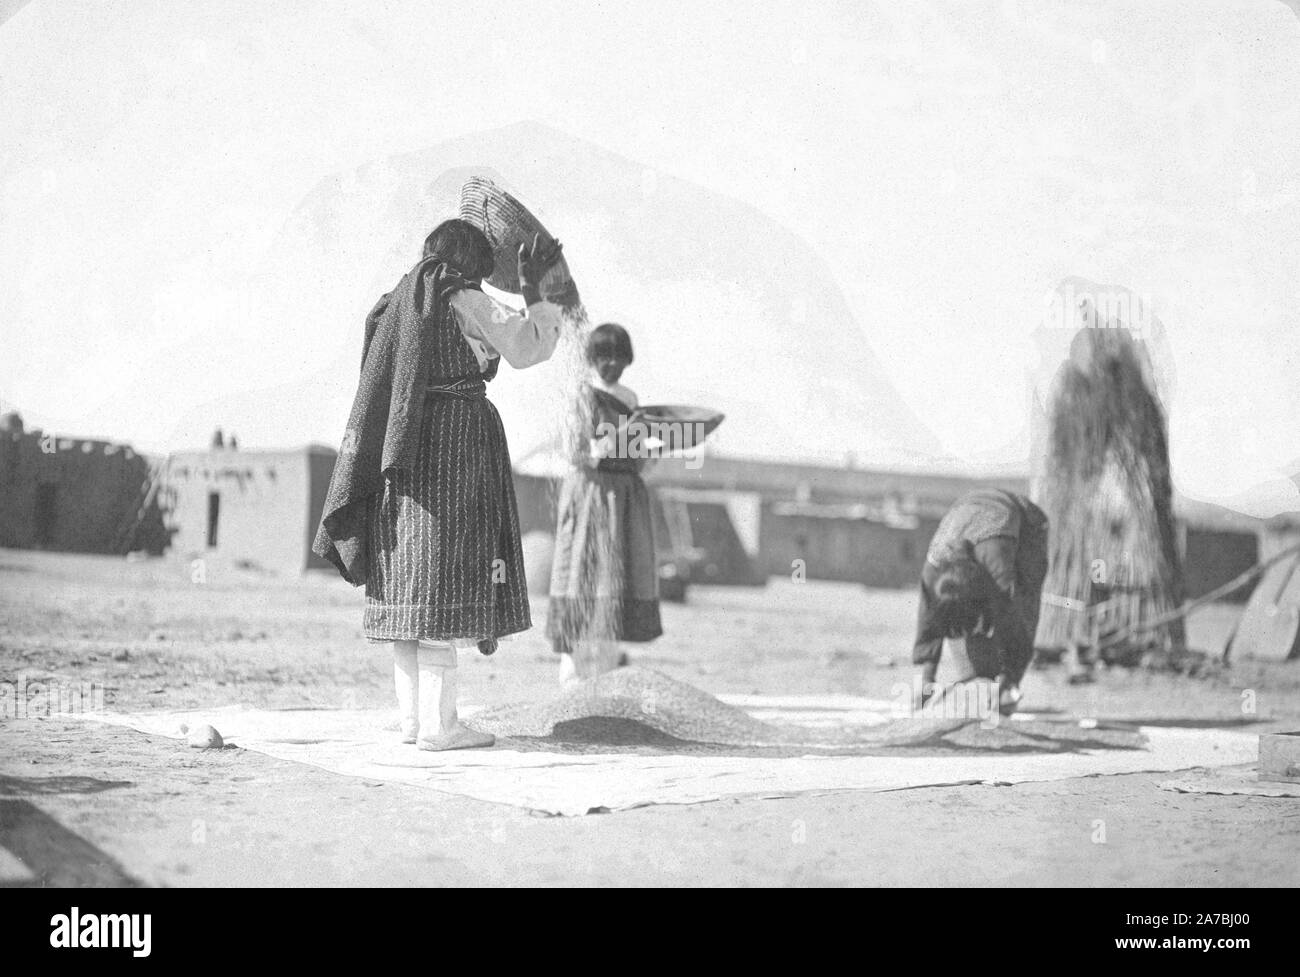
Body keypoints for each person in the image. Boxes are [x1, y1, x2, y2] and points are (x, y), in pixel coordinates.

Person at [314, 219, 564, 750]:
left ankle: (412, 721)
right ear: (472, 265)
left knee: (409, 581)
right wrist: (539, 294)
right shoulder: (464, 299)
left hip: (399, 449)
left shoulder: (394, 303)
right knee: (444, 581)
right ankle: (441, 727)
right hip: (456, 444)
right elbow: (529, 347)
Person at [547, 323, 663, 682]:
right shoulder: (582, 396)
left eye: (617, 356)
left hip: (624, 498)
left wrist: (649, 452)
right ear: (591, 359)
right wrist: (600, 448)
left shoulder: (630, 400)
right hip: (591, 493)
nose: (610, 363)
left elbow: (640, 453)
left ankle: (607, 668)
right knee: (583, 570)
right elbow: (571, 449)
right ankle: (572, 666)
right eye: (603, 356)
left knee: (617, 577)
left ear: (627, 360)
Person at [912, 488, 1048, 715]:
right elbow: (929, 623)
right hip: (969, 509)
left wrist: (1008, 677)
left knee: (1020, 606)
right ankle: (981, 679)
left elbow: (1016, 619)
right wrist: (926, 683)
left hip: (1026, 524)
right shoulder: (933, 570)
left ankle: (1006, 687)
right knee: (976, 669)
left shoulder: (998, 569)